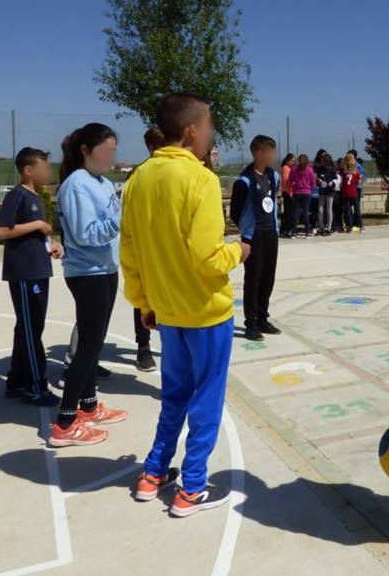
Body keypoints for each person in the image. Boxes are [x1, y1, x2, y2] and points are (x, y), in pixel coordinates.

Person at [121, 93, 251, 516]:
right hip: (205, 311)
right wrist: (239, 252)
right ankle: (193, 485)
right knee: (207, 398)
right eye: (209, 125)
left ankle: (154, 472)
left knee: (174, 394)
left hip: (167, 310)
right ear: (192, 130)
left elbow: (131, 251)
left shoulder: (138, 178)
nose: (212, 133)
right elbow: (207, 256)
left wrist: (144, 302)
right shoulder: (201, 180)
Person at [51, 123, 128, 448]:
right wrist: (122, 218)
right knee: (88, 347)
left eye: (114, 150)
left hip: (106, 269)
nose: (111, 156)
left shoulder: (103, 183)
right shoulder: (76, 185)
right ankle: (65, 423)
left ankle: (89, 405)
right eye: (106, 150)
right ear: (85, 150)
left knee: (94, 343)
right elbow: (85, 234)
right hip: (87, 273)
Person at [0, 147, 62, 407]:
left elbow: (38, 233)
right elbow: (3, 231)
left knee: (28, 327)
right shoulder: (18, 195)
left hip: (39, 269)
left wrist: (51, 242)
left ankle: (15, 381)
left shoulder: (36, 196)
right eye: (44, 167)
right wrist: (37, 226)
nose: (48, 171)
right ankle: (35, 386)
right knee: (31, 330)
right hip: (24, 273)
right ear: (28, 170)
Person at [231, 135, 283, 341]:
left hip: (271, 233)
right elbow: (235, 212)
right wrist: (247, 230)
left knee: (268, 278)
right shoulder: (244, 182)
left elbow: (273, 201)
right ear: (259, 153)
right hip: (253, 236)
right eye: (271, 152)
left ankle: (263, 317)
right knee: (253, 280)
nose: (274, 156)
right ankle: (250, 323)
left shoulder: (274, 176)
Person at [126, 127, 165, 372]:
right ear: (150, 148)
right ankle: (143, 347)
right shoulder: (138, 175)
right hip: (146, 247)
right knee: (143, 300)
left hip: (168, 248)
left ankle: (172, 346)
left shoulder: (177, 172)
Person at [290, 154, 315, 238]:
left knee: (296, 212)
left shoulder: (294, 169)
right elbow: (313, 182)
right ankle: (307, 232)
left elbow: (290, 180)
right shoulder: (310, 170)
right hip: (306, 193)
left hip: (296, 192)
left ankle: (294, 232)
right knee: (305, 213)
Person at [315, 153, 339, 236]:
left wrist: (332, 182)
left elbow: (336, 180)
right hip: (321, 192)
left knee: (329, 209)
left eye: (322, 161)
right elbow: (317, 179)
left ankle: (328, 228)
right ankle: (321, 227)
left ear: (326, 161)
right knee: (320, 210)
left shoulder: (332, 169)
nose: (321, 162)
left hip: (330, 192)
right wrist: (319, 181)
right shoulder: (320, 169)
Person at [340, 154, 361, 232]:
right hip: (354, 192)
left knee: (347, 210)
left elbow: (340, 180)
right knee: (357, 209)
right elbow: (358, 182)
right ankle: (360, 225)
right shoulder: (356, 171)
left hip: (345, 192)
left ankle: (349, 226)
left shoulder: (343, 170)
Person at [347, 149, 365, 231]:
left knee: (354, 207)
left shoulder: (356, 166)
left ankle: (357, 224)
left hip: (354, 188)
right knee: (353, 207)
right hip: (354, 188)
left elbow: (361, 177)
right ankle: (354, 224)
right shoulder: (355, 165)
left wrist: (358, 185)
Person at [279, 153, 296, 238]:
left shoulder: (288, 168)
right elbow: (286, 181)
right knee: (289, 212)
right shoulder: (286, 168)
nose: (294, 162)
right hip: (288, 193)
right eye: (292, 160)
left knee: (289, 212)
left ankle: (287, 229)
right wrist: (290, 192)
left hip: (288, 192)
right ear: (288, 160)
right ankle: (288, 229)